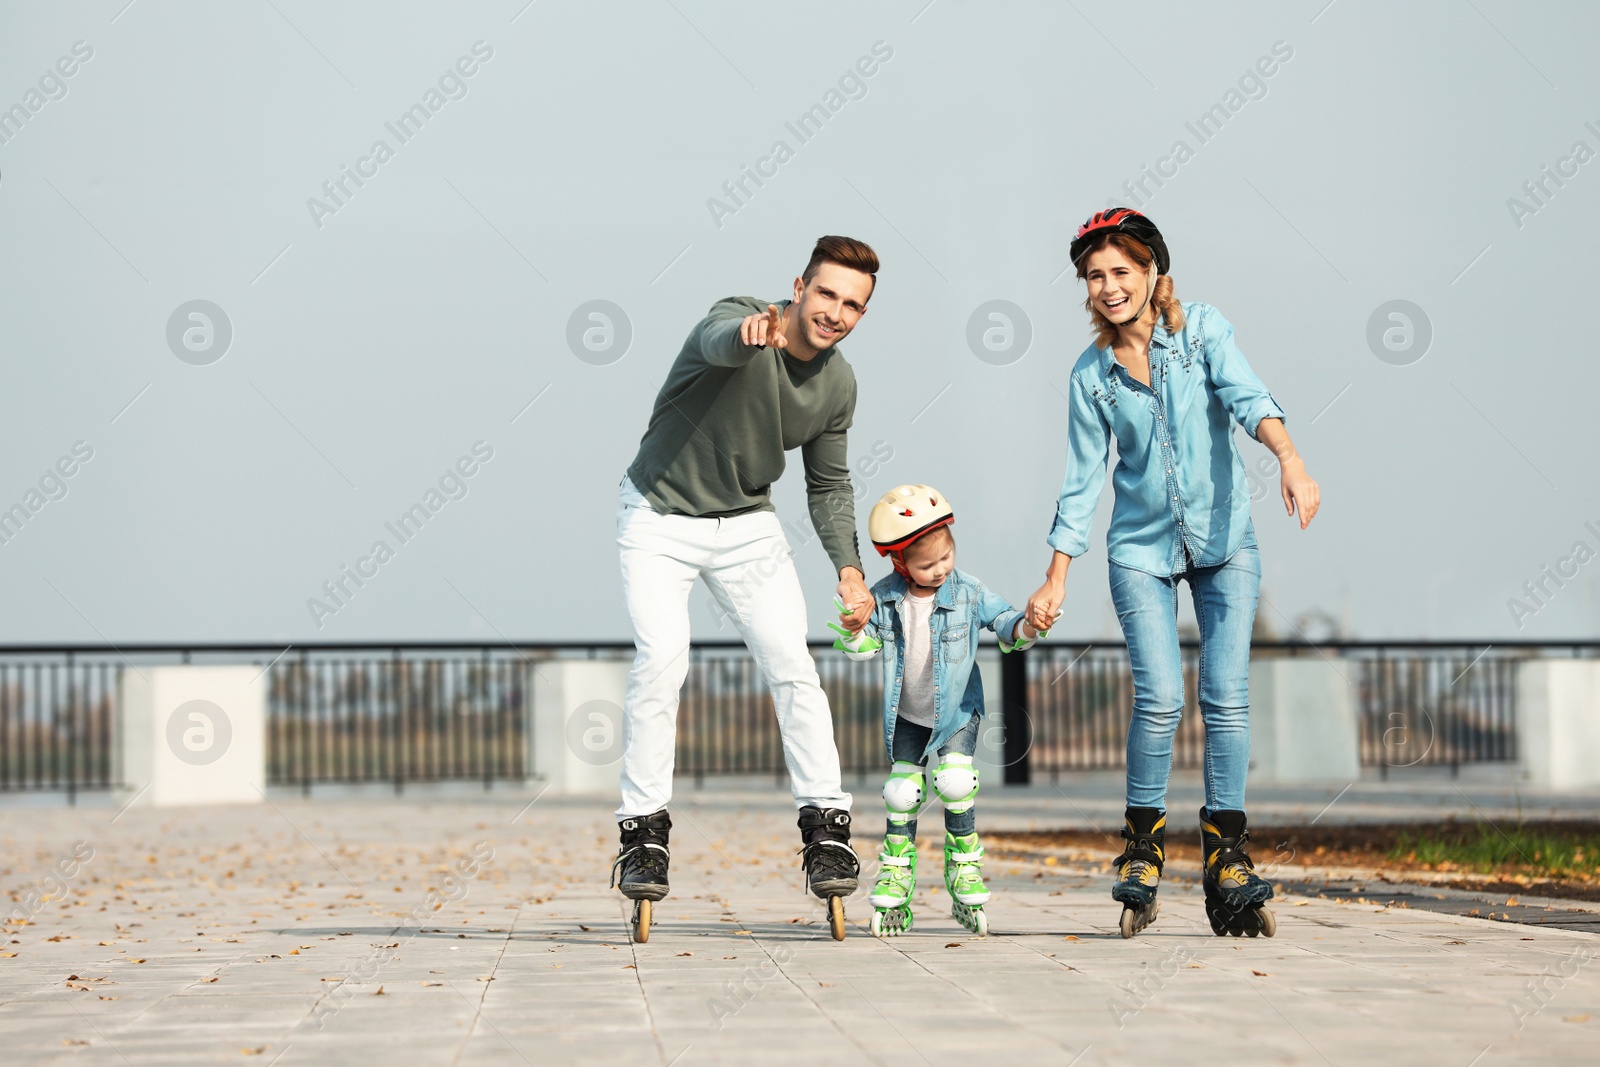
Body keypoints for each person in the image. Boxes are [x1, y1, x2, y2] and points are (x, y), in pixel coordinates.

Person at [1025, 209, 1321, 939]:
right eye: (1095, 276)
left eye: (1121, 271)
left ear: (1152, 271)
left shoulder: (1202, 333)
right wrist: (1056, 575)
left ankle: (1227, 855)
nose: (1108, 286)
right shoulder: (1090, 376)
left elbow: (1249, 398)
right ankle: (1144, 848)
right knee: (1159, 697)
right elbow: (1082, 480)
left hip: (1226, 545)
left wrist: (1289, 457)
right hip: (1140, 551)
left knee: (1226, 695)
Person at [610, 236, 881, 941]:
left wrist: (849, 568)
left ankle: (827, 826)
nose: (836, 313)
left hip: (746, 524)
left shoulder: (837, 383)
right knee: (664, 657)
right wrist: (748, 332)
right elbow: (717, 339)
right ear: (799, 286)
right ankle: (643, 834)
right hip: (658, 513)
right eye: (827, 295)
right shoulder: (741, 317)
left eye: (853, 305)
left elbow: (829, 485)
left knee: (791, 660)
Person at [830, 483, 1045, 937]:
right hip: (908, 713)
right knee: (901, 793)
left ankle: (963, 866)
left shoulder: (967, 591)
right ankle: (897, 874)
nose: (940, 570)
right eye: (927, 565)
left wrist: (1029, 624)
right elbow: (866, 646)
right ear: (899, 563)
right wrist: (853, 630)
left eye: (946, 558)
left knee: (953, 781)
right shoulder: (885, 597)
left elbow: (1006, 624)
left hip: (957, 713)